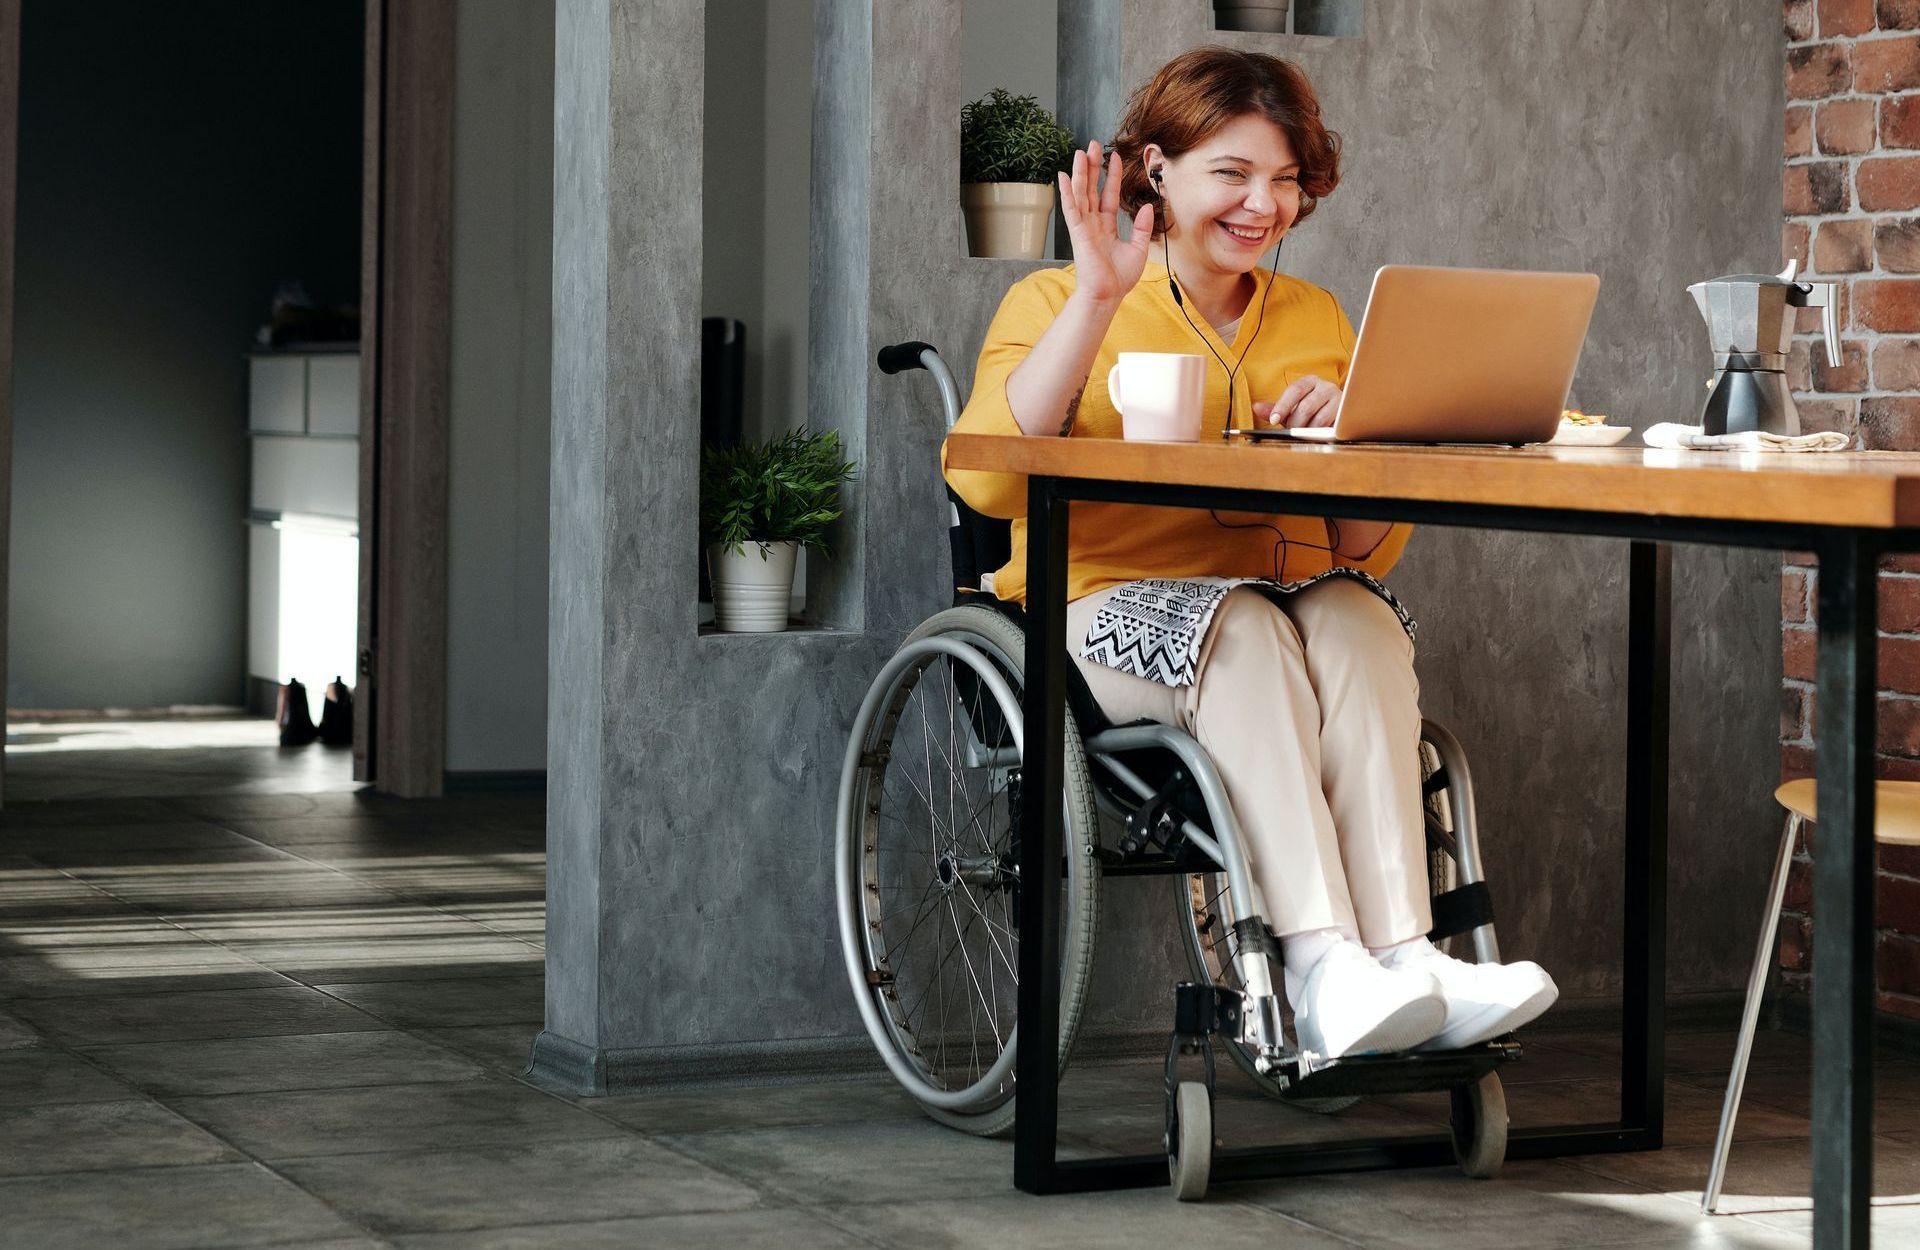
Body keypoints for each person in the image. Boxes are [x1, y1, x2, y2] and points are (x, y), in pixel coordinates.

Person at [941, 46, 1557, 1059]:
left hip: (1283, 607)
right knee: (1247, 627)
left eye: (1285, 179)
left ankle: (1405, 957)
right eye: (1232, 172)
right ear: (1158, 168)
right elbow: (989, 484)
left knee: (1356, 616)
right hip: (1096, 613)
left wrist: (1353, 435)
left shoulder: (1316, 318)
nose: (1263, 203)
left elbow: (1360, 548)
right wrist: (1097, 299)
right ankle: (1317, 963)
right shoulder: (1054, 301)